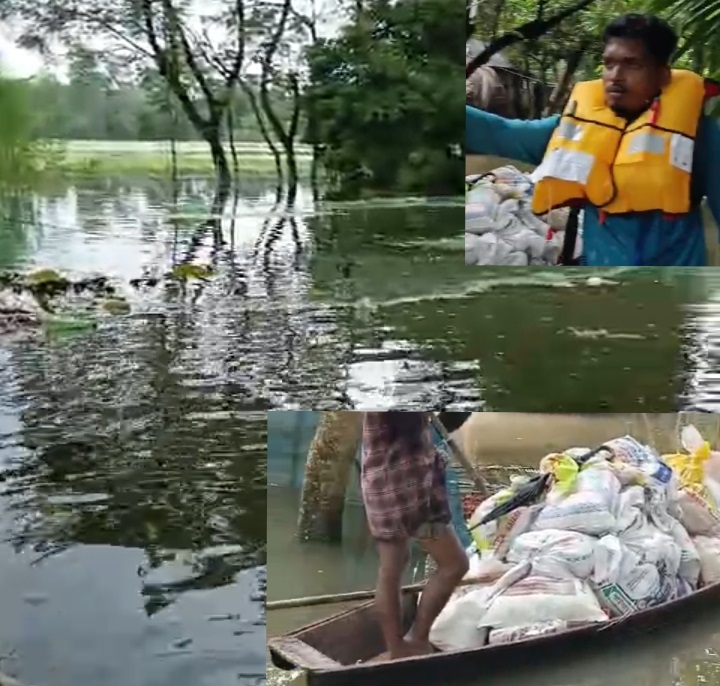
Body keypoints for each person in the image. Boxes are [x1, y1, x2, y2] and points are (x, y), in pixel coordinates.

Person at [466, 13, 720, 266]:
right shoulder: (576, 129)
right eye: (609, 64)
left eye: (633, 65)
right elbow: (500, 133)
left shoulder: (698, 137)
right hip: (600, 289)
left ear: (663, 76)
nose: (615, 76)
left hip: (672, 294)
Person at [361, 412, 468, 659]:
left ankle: (410, 642)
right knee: (443, 565)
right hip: (401, 484)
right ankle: (404, 646)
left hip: (411, 481)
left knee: (396, 568)